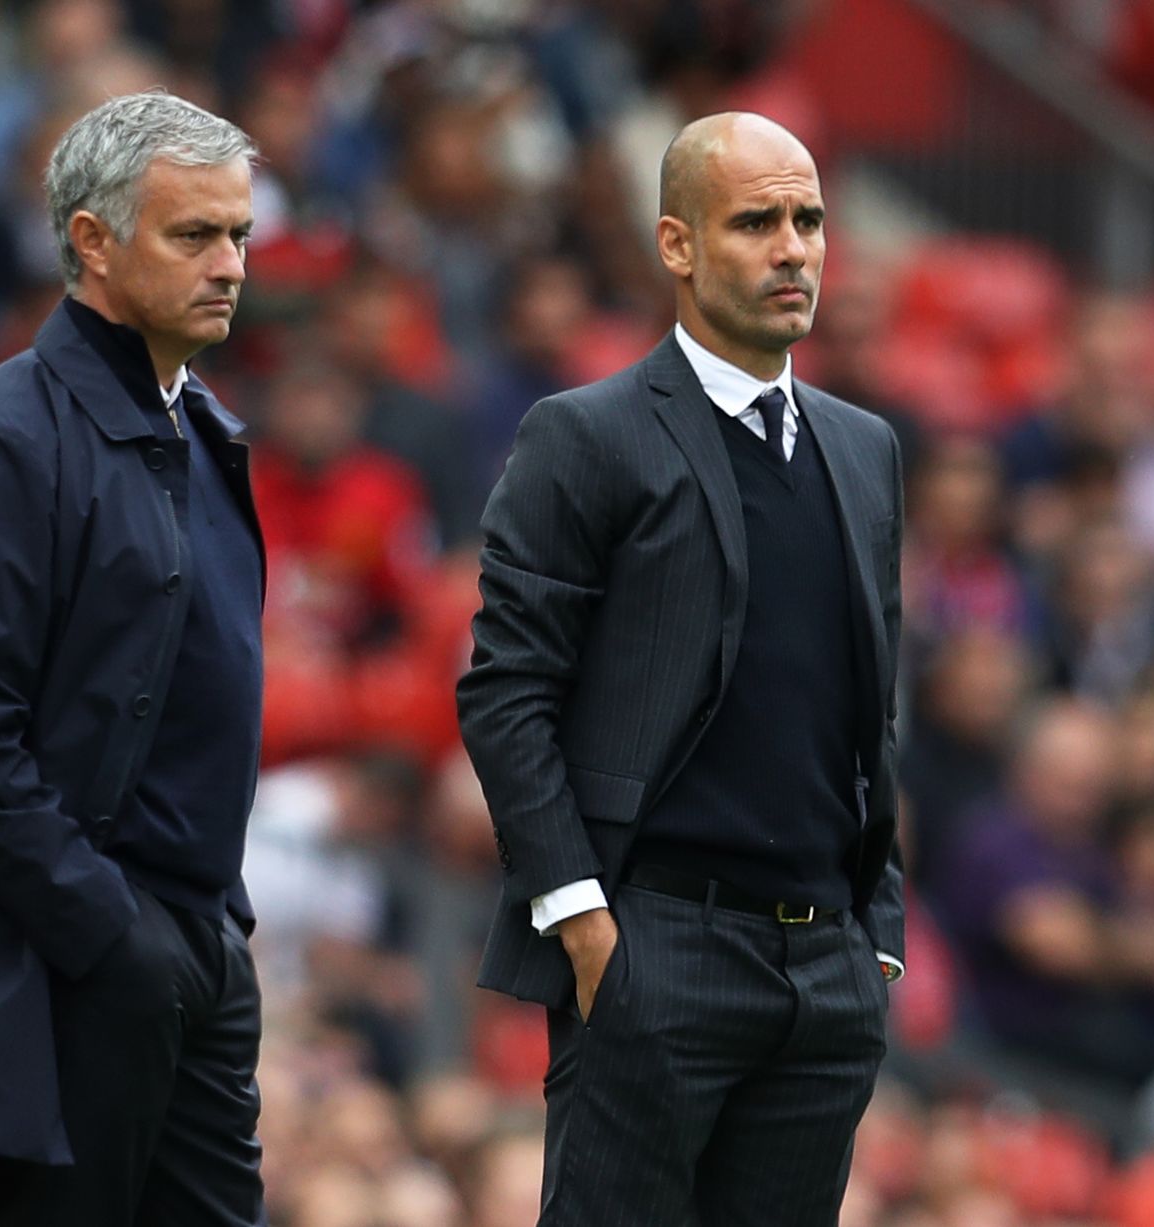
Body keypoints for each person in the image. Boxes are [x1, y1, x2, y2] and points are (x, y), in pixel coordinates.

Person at [457, 111, 904, 1226]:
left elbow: (868, 709)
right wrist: (581, 918)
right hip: (654, 947)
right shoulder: (584, 435)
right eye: (756, 221)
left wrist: (877, 940)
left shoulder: (865, 448)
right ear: (676, 245)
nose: (793, 247)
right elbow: (505, 692)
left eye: (807, 219)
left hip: (825, 974)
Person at [0, 92, 269, 1227]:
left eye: (239, 234)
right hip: (77, 957)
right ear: (91, 242)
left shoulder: (205, 426)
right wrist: (110, 928)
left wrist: (214, 934)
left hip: (194, 945)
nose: (231, 264)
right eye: (193, 235)